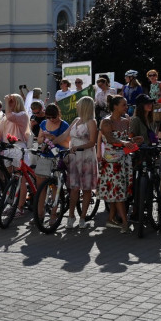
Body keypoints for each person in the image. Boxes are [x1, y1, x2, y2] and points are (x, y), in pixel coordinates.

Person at [98, 95, 133, 231]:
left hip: (124, 160)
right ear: (115, 107)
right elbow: (111, 139)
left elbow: (127, 139)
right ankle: (125, 223)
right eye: (124, 105)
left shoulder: (126, 121)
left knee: (117, 191)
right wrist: (125, 142)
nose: (126, 107)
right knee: (118, 192)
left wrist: (135, 140)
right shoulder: (106, 121)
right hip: (112, 162)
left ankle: (110, 219)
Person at [67, 96, 98, 226]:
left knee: (86, 189)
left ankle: (83, 217)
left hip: (86, 157)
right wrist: (52, 140)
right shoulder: (76, 120)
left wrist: (78, 147)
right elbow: (66, 134)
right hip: (74, 156)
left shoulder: (91, 122)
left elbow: (92, 142)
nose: (76, 106)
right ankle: (71, 215)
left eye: (78, 104)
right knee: (74, 188)